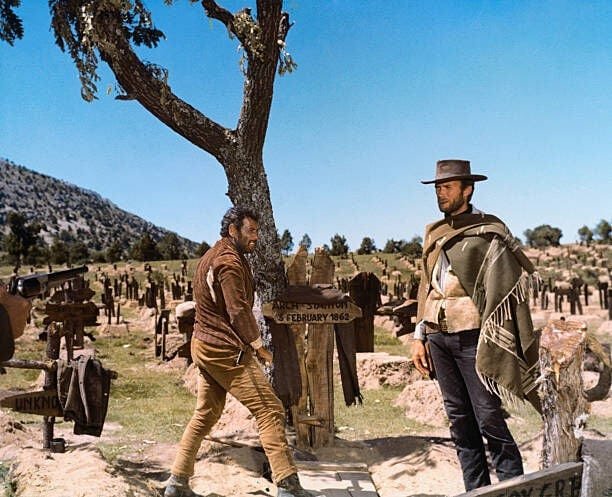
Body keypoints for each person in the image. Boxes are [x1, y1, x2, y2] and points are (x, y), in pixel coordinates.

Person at [411, 159, 541, 492]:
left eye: (448, 187)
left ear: (467, 189)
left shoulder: (488, 231)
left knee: (488, 417)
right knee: (459, 422)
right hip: (438, 337)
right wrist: (419, 337)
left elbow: (503, 285)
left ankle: (512, 488)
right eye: (438, 187)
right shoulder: (433, 232)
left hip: (474, 336)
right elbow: (426, 285)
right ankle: (476, 490)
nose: (441, 193)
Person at [165, 206, 313, 497]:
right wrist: (258, 346)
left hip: (204, 345)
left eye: (257, 231)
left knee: (206, 413)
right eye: (251, 231)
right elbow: (237, 311)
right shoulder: (229, 263)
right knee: (270, 409)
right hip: (224, 349)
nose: (255, 237)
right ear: (233, 230)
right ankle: (287, 486)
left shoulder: (212, 255)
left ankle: (177, 482)